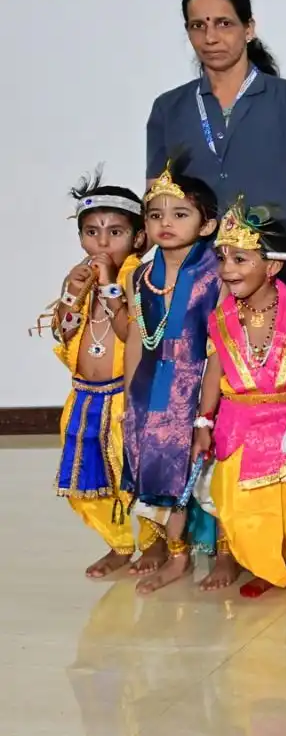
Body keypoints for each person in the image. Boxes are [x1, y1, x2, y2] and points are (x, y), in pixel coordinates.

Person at [145, 0, 286, 257]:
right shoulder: (169, 108)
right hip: (193, 276)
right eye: (199, 26)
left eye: (224, 23)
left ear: (249, 29)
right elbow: (155, 199)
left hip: (277, 273)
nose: (210, 38)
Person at [193, 200, 286, 597]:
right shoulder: (221, 318)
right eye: (222, 258)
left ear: (272, 267)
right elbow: (213, 370)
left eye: (240, 258)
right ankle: (259, 562)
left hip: (285, 422)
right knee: (236, 500)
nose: (227, 269)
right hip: (235, 421)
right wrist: (203, 422)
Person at [47, 169, 159, 577]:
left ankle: (154, 542)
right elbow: (64, 333)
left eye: (115, 232)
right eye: (92, 232)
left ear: (138, 238)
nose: (102, 242)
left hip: (122, 397)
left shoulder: (139, 277)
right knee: (87, 479)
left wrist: (110, 284)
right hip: (83, 395)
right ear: (81, 238)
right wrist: (70, 297)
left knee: (134, 475)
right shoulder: (79, 277)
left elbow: (132, 332)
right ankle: (119, 543)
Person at [122, 158, 223, 594]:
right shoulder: (142, 276)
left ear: (206, 225)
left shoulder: (219, 271)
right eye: (156, 214)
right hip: (152, 385)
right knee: (162, 471)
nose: (166, 223)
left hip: (202, 381)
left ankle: (222, 554)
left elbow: (222, 339)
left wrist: (208, 408)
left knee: (205, 472)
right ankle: (176, 553)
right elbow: (134, 336)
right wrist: (130, 393)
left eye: (180, 214)